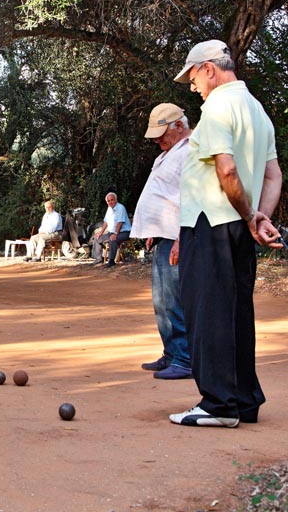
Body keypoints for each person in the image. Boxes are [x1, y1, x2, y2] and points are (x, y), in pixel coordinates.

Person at [170, 39, 283, 428]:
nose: (192, 85)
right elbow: (272, 175)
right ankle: (243, 400)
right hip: (238, 226)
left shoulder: (218, 105)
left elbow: (227, 170)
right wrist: (260, 218)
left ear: (209, 68)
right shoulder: (258, 111)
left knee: (208, 311)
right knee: (236, 311)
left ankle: (218, 404)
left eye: (192, 76)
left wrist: (251, 215)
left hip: (214, 221)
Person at [130, 103, 192, 380]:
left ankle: (185, 358)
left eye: (161, 133)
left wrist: (182, 236)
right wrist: (153, 228)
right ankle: (171, 353)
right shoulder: (169, 153)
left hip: (177, 237)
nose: (156, 140)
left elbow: (193, 197)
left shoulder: (191, 151)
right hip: (162, 235)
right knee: (161, 300)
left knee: (175, 299)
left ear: (179, 126)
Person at [91, 193, 132, 267]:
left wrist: (115, 234)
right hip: (113, 232)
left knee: (112, 239)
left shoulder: (120, 208)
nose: (110, 202)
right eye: (108, 201)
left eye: (112, 200)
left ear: (116, 200)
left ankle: (111, 261)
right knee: (97, 238)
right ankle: (98, 259)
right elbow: (106, 222)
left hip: (125, 232)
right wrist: (100, 232)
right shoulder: (109, 209)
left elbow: (120, 223)